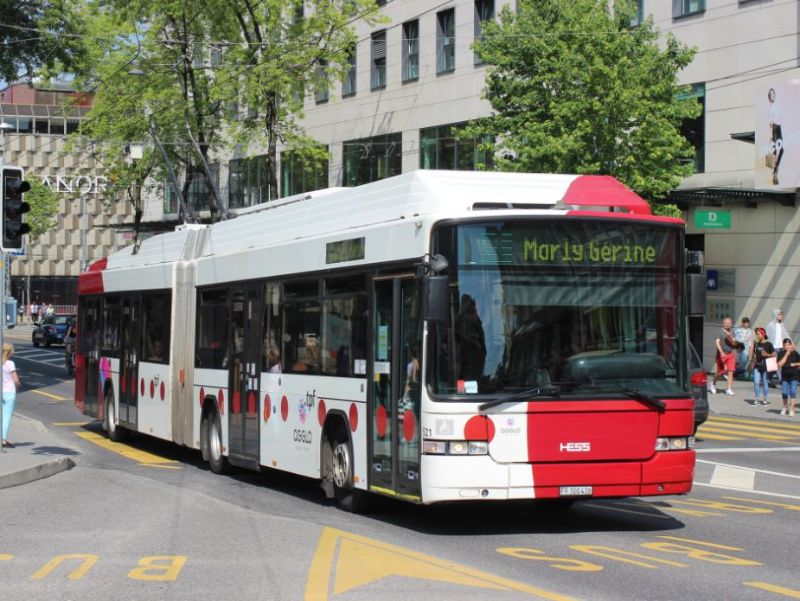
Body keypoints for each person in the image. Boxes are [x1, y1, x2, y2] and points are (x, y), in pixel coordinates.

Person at [711, 316, 738, 396]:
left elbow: (734, 343)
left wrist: (730, 336)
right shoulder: (719, 331)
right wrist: (721, 352)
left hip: (730, 354)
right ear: (723, 323)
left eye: (729, 323)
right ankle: (713, 384)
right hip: (721, 354)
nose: (728, 324)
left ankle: (729, 389)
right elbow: (717, 342)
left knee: (730, 371)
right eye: (726, 323)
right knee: (720, 372)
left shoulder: (732, 332)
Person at [750, 327, 776, 406]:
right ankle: (757, 399)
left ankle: (765, 399)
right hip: (757, 366)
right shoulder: (756, 343)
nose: (757, 336)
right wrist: (752, 361)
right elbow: (754, 353)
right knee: (756, 382)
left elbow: (774, 354)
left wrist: (767, 354)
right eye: (756, 334)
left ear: (763, 334)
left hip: (766, 367)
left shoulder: (769, 344)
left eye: (758, 334)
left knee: (765, 382)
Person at [2, 342, 21, 448]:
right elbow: (16, 380)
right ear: (9, 352)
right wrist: (18, 384)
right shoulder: (10, 363)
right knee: (7, 417)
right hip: (9, 392)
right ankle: (3, 440)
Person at [766, 309, 789, 389]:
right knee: (777, 366)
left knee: (775, 366)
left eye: (781, 314)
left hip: (780, 348)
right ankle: (782, 381)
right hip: (773, 348)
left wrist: (791, 343)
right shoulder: (770, 325)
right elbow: (767, 337)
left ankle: (767, 380)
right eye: (779, 314)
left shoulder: (781, 324)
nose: (781, 316)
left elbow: (785, 335)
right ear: (775, 315)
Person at [777, 338, 799, 416]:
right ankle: (785, 407)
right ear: (783, 346)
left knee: (793, 392)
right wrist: (786, 354)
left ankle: (792, 409)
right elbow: (780, 364)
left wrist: (795, 364)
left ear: (791, 345)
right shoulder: (781, 353)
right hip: (785, 377)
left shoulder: (795, 353)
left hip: (794, 376)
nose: (787, 346)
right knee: (784, 392)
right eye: (785, 345)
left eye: (788, 345)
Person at [768, 88, 784, 185]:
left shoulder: (777, 105)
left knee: (780, 150)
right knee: (776, 151)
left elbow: (779, 117)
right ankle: (775, 174)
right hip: (775, 128)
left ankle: (775, 171)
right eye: (771, 94)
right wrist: (771, 135)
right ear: (769, 97)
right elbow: (771, 122)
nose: (772, 95)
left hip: (779, 127)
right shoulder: (770, 108)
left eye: (773, 93)